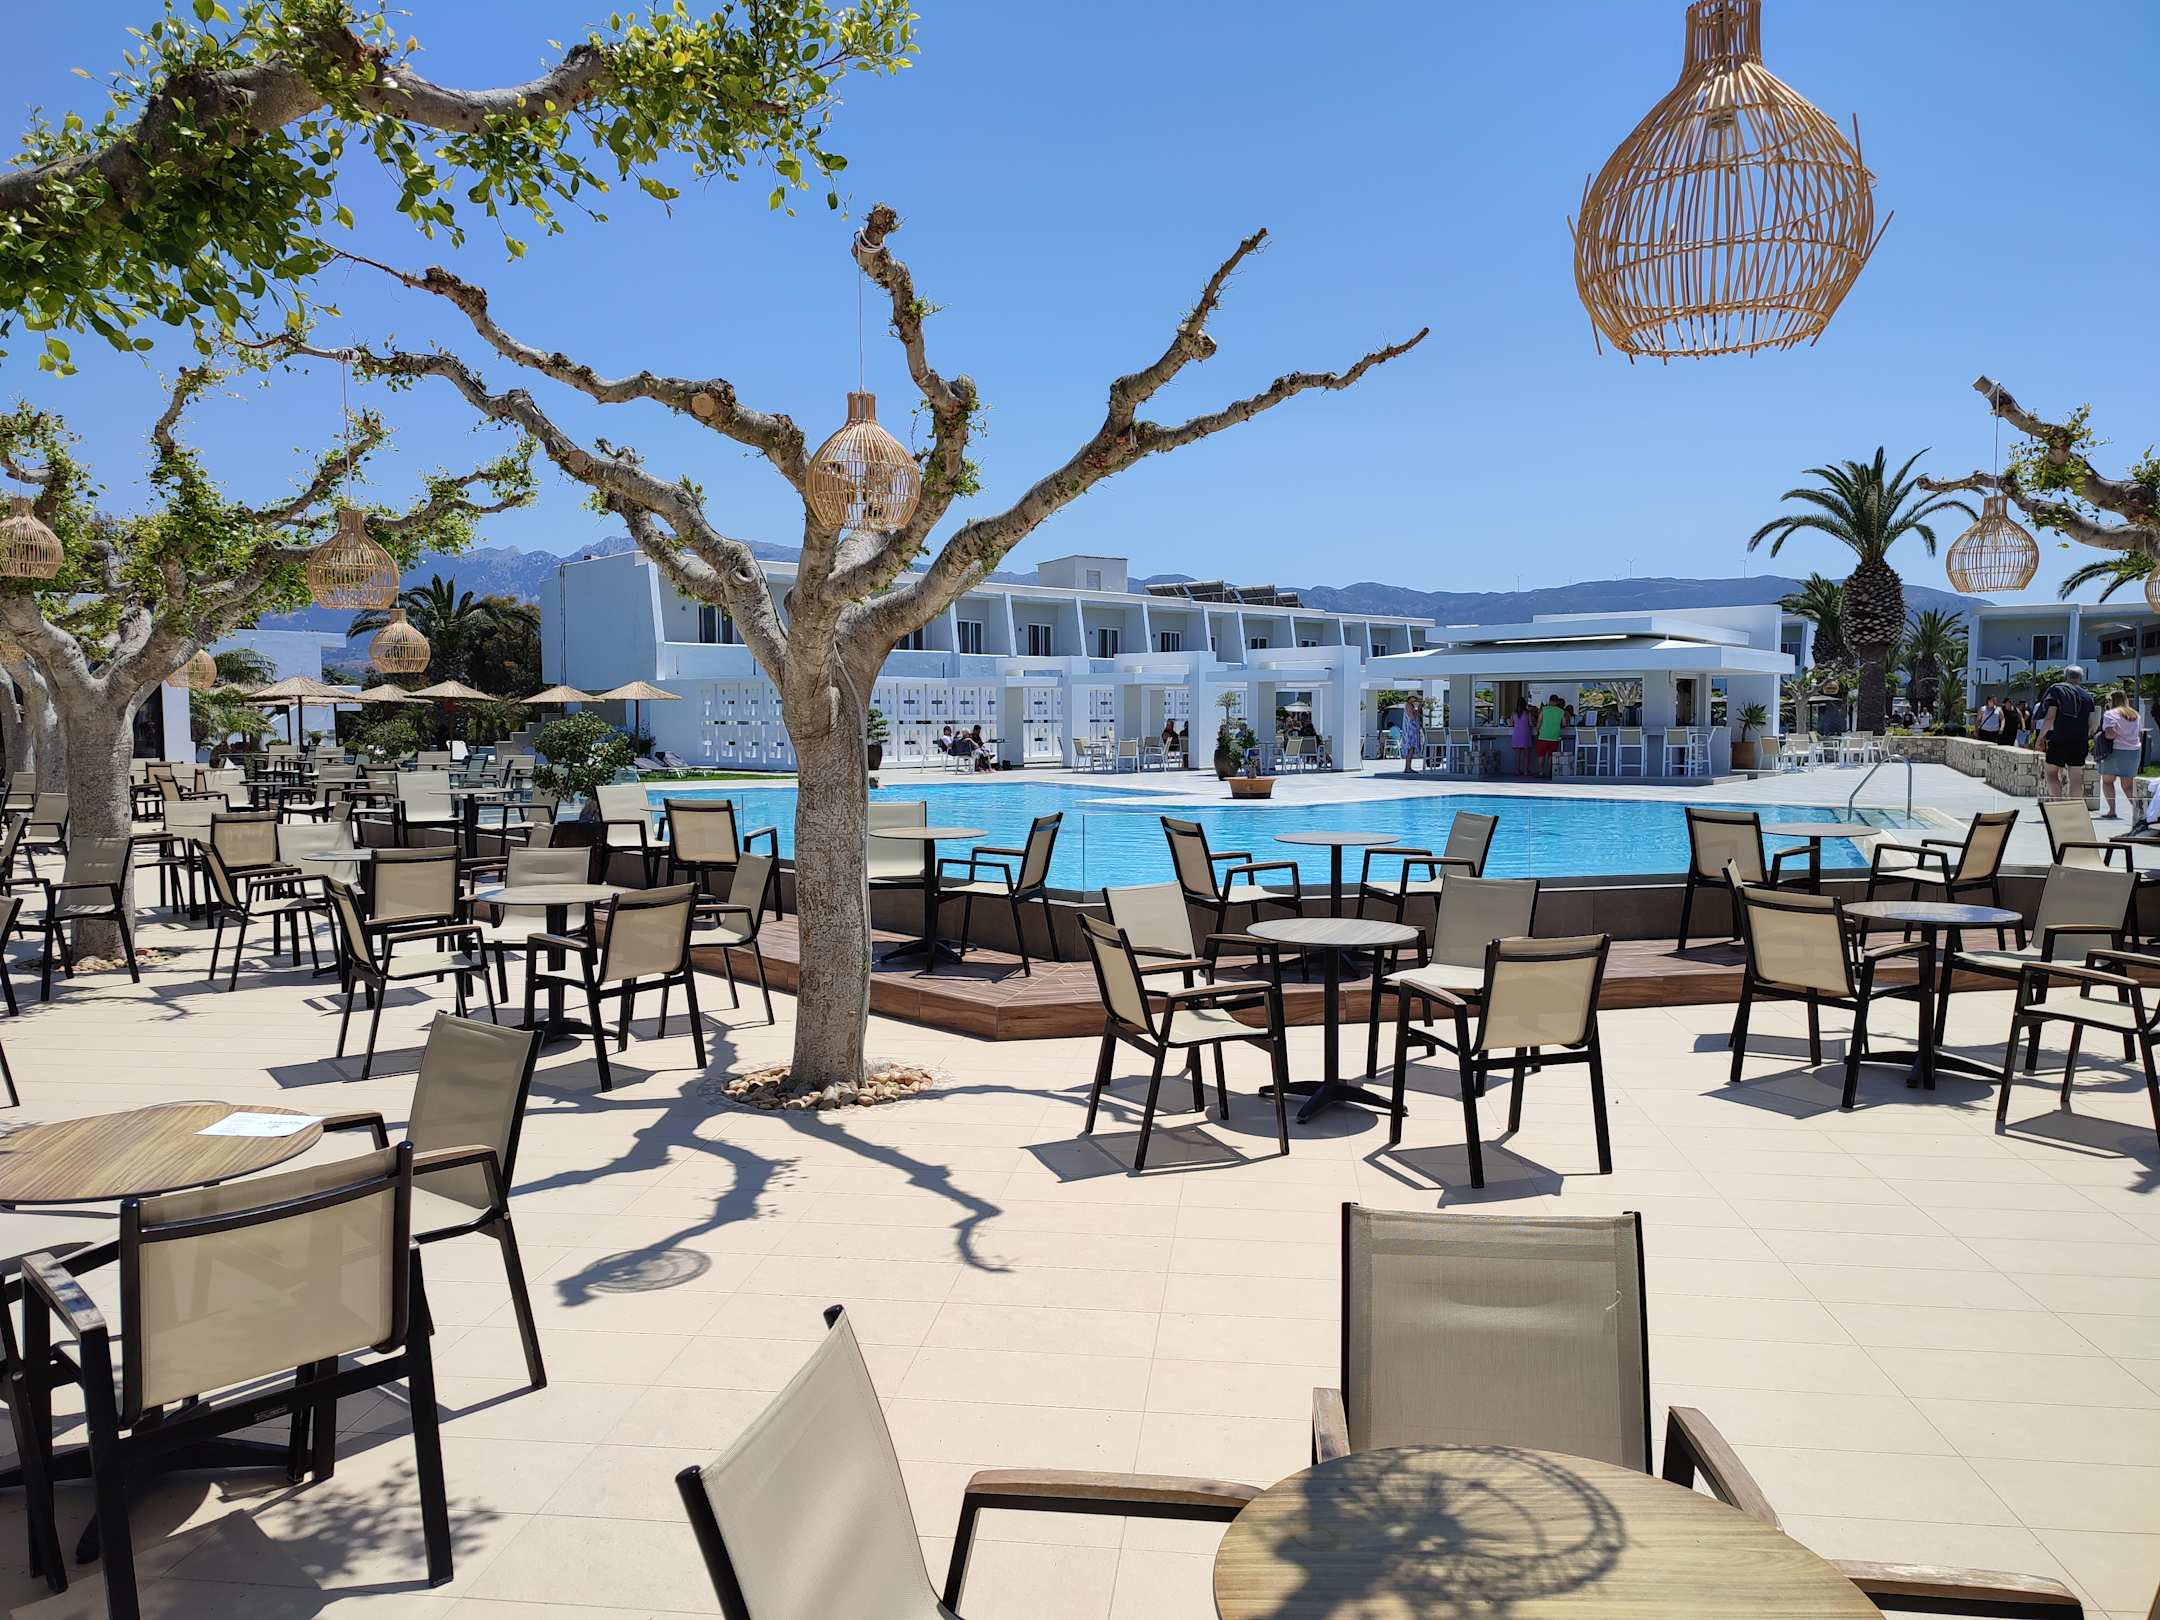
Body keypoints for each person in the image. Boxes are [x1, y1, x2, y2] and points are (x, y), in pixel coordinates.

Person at [2035, 665, 2098, 802]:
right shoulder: (2088, 697)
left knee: (2051, 773)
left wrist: (2040, 737)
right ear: (2081, 678)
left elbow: (2050, 717)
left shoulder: (2058, 691)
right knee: (2075, 777)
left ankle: (2058, 804)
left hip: (2059, 739)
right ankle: (2075, 807)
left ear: (2066, 677)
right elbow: (2093, 724)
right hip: (2080, 741)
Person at [2097, 690, 2141, 818]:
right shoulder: (2135, 714)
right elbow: (2139, 733)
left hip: (2115, 751)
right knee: (2128, 786)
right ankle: (2141, 811)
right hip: (2133, 752)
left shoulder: (2110, 714)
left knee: (2107, 781)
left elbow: (2110, 734)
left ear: (2112, 701)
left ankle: (2112, 810)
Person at [1536, 691, 1567, 779]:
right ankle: (1550, 772)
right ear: (1557, 702)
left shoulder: (1544, 709)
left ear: (1549, 701)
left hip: (1543, 735)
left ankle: (1541, 772)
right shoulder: (1561, 711)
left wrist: (1537, 731)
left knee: (1541, 755)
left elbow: (1539, 721)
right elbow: (1564, 724)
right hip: (1554, 736)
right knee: (1551, 755)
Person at [1509, 699, 1534, 777]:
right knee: (1526, 754)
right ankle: (1526, 771)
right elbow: (1531, 723)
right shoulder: (1527, 713)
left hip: (1517, 734)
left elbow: (1511, 723)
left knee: (1517, 754)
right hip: (1525, 734)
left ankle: (1517, 770)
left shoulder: (1514, 713)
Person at [1401, 696, 1423, 774]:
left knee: (1411, 749)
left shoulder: (1409, 705)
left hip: (1410, 730)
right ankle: (1408, 767)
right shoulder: (1409, 705)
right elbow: (1412, 717)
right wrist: (1418, 710)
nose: (1415, 700)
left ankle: (1408, 767)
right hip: (1410, 731)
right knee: (1410, 749)